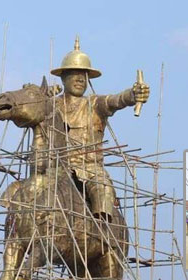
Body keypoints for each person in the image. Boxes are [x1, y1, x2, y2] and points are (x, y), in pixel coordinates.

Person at [50, 36, 150, 221]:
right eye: (74, 73)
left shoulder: (95, 103)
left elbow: (116, 100)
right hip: (55, 168)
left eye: (84, 75)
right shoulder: (51, 105)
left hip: (89, 169)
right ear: (63, 78)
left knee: (102, 191)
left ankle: (104, 232)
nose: (80, 79)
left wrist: (133, 95)